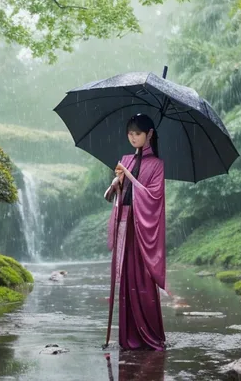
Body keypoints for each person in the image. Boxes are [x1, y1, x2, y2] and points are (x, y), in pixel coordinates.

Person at [103, 113, 167, 351]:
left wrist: (128, 175)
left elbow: (153, 198)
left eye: (137, 133)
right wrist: (115, 183)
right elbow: (109, 197)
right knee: (127, 280)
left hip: (143, 229)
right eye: (129, 133)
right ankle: (129, 337)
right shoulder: (126, 160)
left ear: (149, 135)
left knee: (143, 280)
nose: (132, 137)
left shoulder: (157, 165)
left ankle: (149, 334)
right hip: (125, 224)